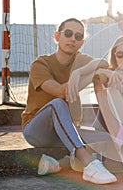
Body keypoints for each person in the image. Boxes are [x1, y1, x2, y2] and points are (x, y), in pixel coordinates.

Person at [21, 18, 117, 184]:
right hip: (36, 130)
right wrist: (92, 74)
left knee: (107, 139)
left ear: (81, 43)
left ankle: (59, 163)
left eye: (78, 36)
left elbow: (104, 63)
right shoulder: (40, 63)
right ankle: (88, 164)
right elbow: (60, 92)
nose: (73, 38)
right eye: (68, 33)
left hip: (64, 130)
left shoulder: (79, 61)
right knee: (58, 103)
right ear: (57, 36)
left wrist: (79, 72)